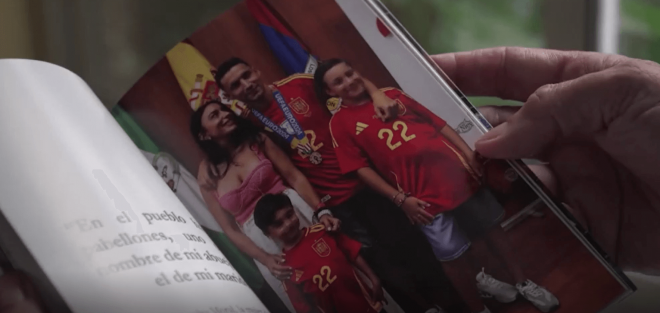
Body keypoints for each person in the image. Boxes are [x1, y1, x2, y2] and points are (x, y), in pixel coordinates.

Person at [207, 57, 456, 313]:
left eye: (247, 75)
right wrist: (206, 167)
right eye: (236, 85)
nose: (246, 85)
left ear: (257, 71)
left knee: (412, 246)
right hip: (334, 204)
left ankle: (455, 305)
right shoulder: (250, 125)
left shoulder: (300, 85)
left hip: (369, 180)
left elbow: (351, 86)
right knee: (381, 265)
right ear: (229, 95)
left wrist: (376, 94)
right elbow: (224, 146)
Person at [318, 58, 559, 313]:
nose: (349, 81)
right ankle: (480, 309)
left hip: (456, 177)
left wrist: (467, 154)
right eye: (338, 81)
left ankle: (524, 283)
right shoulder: (340, 124)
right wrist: (400, 200)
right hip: (421, 198)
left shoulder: (391, 94)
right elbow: (360, 170)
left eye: (350, 73)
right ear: (330, 92)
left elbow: (437, 123)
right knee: (453, 257)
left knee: (491, 231)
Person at [190, 100, 341, 312]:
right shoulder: (208, 178)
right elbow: (230, 230)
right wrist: (266, 259)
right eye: (214, 115)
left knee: (337, 272)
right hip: (261, 242)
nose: (224, 114)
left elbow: (294, 176)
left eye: (223, 110)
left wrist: (321, 210)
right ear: (204, 135)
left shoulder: (256, 140)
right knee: (306, 299)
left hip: (296, 214)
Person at [254, 193, 386, 313]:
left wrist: (374, 280)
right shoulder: (284, 268)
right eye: (279, 224)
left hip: (368, 303)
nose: (288, 224)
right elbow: (304, 308)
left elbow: (353, 252)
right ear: (268, 234)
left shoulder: (322, 230)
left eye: (289, 215)